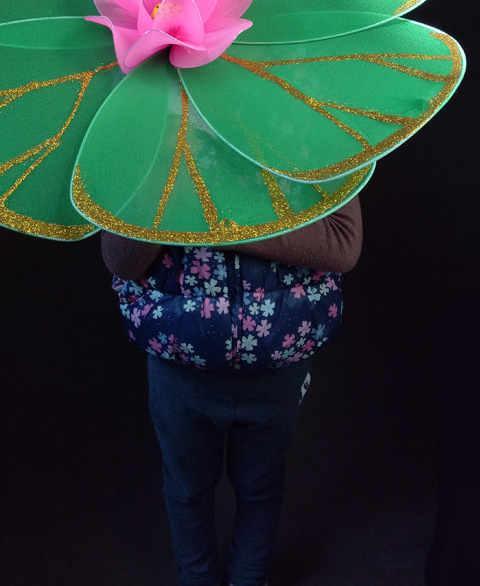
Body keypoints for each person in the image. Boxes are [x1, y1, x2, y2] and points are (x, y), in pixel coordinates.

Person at [100, 197, 363, 586]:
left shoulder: (309, 152)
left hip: (278, 364)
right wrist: (163, 180)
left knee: (261, 485)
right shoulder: (148, 155)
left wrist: (215, 217)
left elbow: (341, 243)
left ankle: (250, 578)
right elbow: (121, 261)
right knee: (186, 488)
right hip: (180, 367)